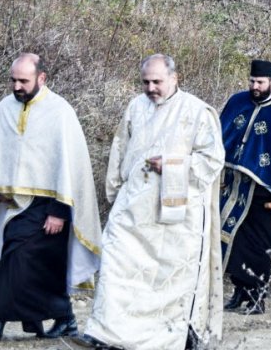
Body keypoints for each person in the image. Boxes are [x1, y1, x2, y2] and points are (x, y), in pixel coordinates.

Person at [77, 55, 225, 350]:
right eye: (146, 82)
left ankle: (170, 337)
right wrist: (116, 192)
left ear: (174, 78)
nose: (151, 88)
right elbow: (120, 149)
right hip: (133, 207)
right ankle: (107, 332)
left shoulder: (198, 112)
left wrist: (171, 164)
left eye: (157, 81)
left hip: (176, 216)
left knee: (169, 280)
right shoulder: (136, 106)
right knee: (115, 259)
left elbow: (213, 160)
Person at [0, 54, 102, 344]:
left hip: (50, 207)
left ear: (42, 78)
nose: (17, 86)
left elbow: (68, 167)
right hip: (16, 204)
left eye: (23, 81)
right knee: (38, 266)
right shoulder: (5, 107)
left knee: (19, 256)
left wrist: (60, 211)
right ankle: (64, 319)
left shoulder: (60, 111)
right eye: (13, 80)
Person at [216, 59, 271, 314]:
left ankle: (257, 298)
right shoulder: (237, 102)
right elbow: (221, 133)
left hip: (264, 190)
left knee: (257, 245)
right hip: (233, 185)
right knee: (232, 241)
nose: (255, 86)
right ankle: (239, 292)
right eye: (252, 81)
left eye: (260, 82)